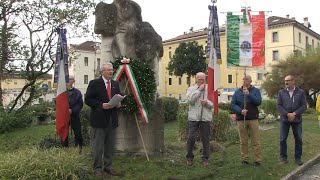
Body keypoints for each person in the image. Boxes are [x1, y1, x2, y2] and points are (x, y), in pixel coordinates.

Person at [85, 63, 121, 177]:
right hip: (99, 120)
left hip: (112, 119)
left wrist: (118, 103)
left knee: (110, 146)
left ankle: (108, 167)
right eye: (109, 70)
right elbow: (88, 100)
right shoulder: (94, 83)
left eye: (112, 70)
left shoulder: (115, 84)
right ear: (103, 71)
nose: (111, 72)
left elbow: (118, 97)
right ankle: (97, 168)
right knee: (98, 147)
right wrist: (101, 105)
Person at [231, 75, 262, 166]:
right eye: (243, 79)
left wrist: (249, 94)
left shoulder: (256, 91)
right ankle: (245, 159)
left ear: (251, 81)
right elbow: (232, 105)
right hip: (241, 119)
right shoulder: (237, 92)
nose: (244, 80)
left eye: (246, 79)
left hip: (253, 119)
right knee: (243, 141)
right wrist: (240, 111)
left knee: (255, 141)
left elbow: (258, 102)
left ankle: (258, 159)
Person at [277, 75, 307, 165]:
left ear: (293, 81)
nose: (286, 82)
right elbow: (279, 105)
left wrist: (294, 114)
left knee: (298, 139)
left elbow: (304, 105)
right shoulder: (281, 92)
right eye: (285, 81)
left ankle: (298, 159)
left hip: (296, 119)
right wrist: (287, 114)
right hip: (284, 119)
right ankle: (283, 158)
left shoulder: (300, 92)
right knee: (282, 139)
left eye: (288, 80)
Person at [186, 72, 213, 167]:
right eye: (199, 79)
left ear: (205, 79)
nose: (201, 81)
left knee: (205, 139)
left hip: (205, 118)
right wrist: (199, 91)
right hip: (194, 118)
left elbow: (212, 104)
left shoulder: (209, 89)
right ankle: (189, 157)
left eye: (203, 79)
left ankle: (205, 158)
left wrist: (206, 103)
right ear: (196, 79)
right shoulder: (191, 89)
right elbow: (190, 100)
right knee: (191, 138)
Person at [61, 75, 83, 150]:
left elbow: (80, 104)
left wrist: (72, 110)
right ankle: (64, 149)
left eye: (70, 79)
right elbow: (57, 102)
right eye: (67, 79)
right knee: (64, 134)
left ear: (73, 81)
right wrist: (65, 109)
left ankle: (78, 149)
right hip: (64, 116)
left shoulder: (77, 92)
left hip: (75, 116)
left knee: (78, 134)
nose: (69, 81)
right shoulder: (62, 92)